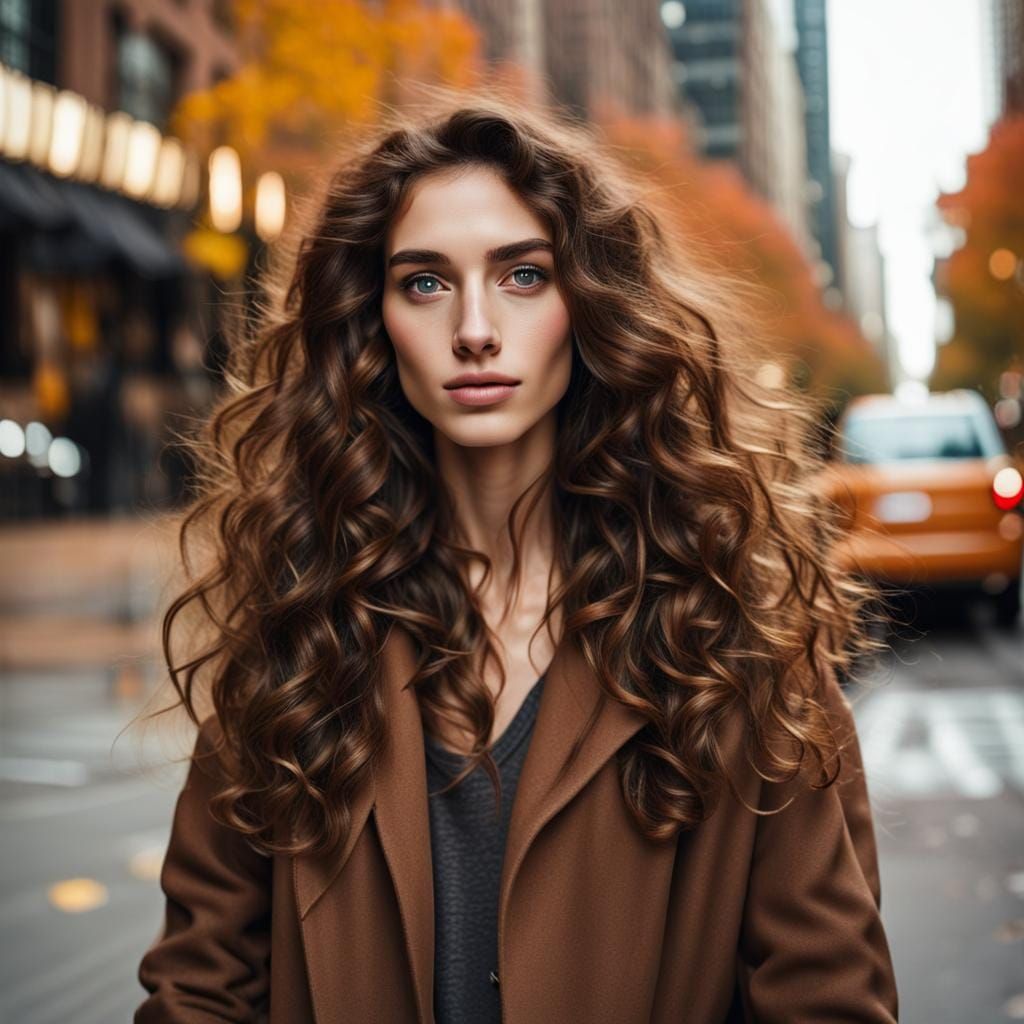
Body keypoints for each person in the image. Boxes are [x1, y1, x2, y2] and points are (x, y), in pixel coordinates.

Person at [134, 86, 899, 1023]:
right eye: (424, 282)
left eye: (522, 275)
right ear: (373, 327)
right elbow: (199, 987)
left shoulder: (730, 642)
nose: (474, 329)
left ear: (590, 304)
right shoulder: (299, 637)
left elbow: (827, 997)